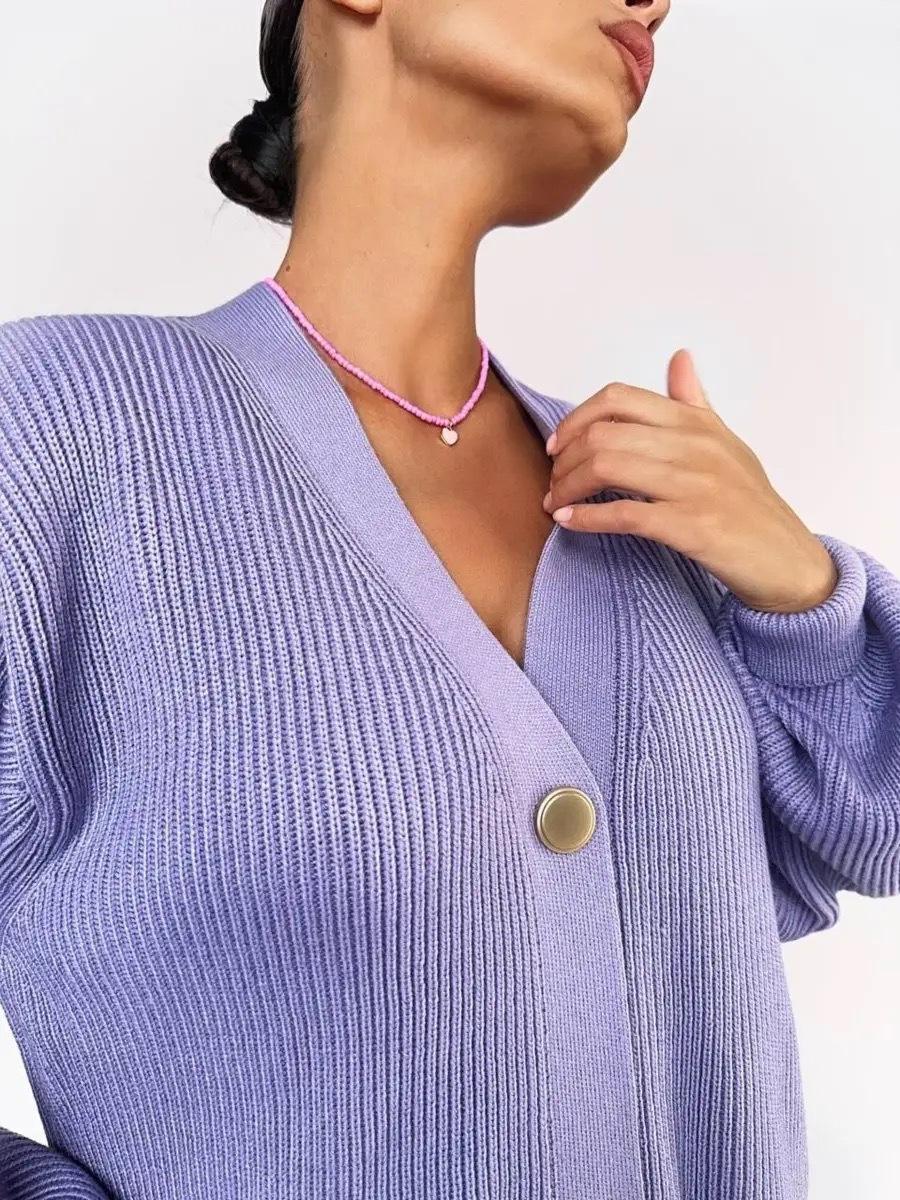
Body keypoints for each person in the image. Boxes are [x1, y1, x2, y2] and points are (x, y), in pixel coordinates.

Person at [0, 1, 897, 1197]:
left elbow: (872, 826)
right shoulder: (55, 435)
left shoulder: (654, 516)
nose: (658, 2)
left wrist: (805, 596)